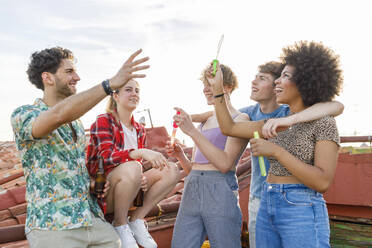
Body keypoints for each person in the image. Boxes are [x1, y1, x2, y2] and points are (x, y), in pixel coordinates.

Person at [192, 61, 343, 248]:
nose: (277, 82)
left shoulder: (323, 122)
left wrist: (275, 151)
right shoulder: (273, 122)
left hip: (301, 206)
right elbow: (229, 126)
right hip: (267, 199)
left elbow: (322, 182)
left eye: (285, 76)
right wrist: (217, 88)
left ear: (306, 83)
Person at [11, 47, 149, 248]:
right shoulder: (24, 114)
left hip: (92, 221)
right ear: (47, 78)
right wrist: (109, 85)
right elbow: (58, 115)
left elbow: (71, 166)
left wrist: (91, 183)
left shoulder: (75, 123)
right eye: (69, 72)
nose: (77, 77)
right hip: (54, 226)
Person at [86, 78, 180, 248]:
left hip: (130, 191)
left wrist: (140, 179)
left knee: (170, 169)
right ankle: (120, 224)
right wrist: (139, 153)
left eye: (137, 91)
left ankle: (136, 220)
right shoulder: (104, 121)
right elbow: (106, 157)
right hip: (104, 194)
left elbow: (135, 168)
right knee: (133, 166)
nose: (134, 94)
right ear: (115, 95)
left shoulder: (139, 129)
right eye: (129, 90)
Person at [166, 64, 249, 248]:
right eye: (204, 84)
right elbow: (192, 169)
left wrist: (192, 132)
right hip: (192, 187)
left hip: (220, 189)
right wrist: (180, 155)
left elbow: (224, 164)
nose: (205, 88)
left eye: (210, 83)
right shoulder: (206, 119)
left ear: (227, 87)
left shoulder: (240, 119)